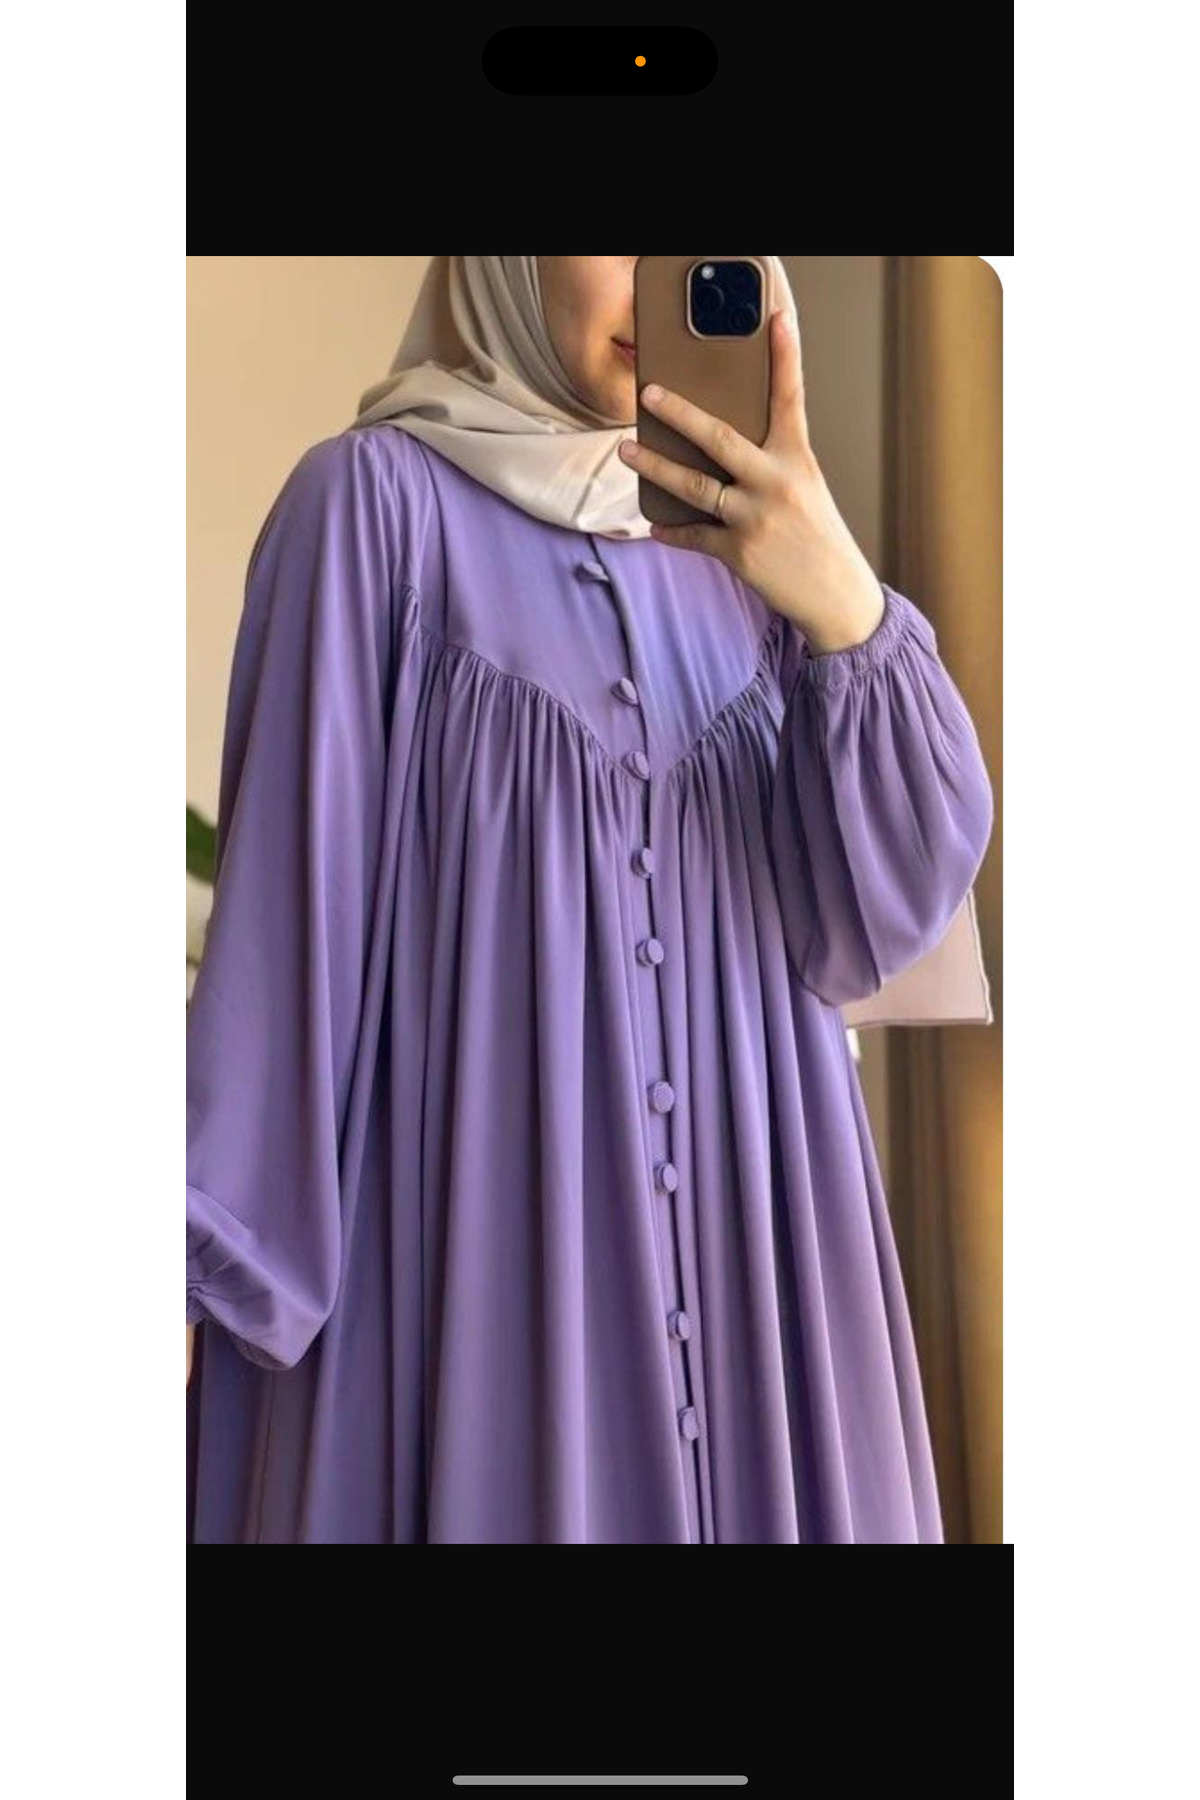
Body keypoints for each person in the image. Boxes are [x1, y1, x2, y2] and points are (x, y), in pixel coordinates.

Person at [185, 256, 994, 1543]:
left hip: (771, 1311)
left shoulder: (762, 564)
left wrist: (842, 597)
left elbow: (892, 908)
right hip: (478, 1324)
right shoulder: (370, 513)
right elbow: (283, 971)